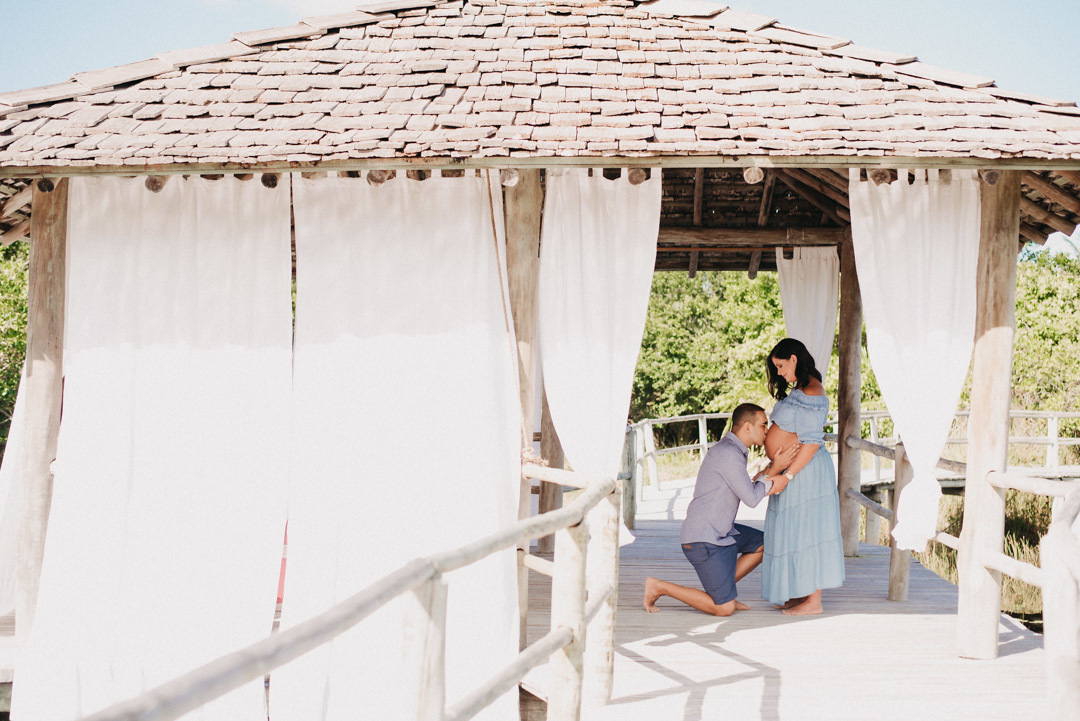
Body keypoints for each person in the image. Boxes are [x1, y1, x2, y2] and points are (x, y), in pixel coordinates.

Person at [643, 403, 799, 616]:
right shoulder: (728, 454)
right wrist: (778, 471)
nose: (767, 430)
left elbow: (751, 484)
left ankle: (724, 591)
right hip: (703, 539)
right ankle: (659, 587)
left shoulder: (734, 450)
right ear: (747, 427)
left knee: (764, 543)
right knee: (724, 608)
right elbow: (752, 498)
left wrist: (773, 468)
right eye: (763, 425)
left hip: (722, 532)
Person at [761, 338, 846, 616]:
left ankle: (813, 601)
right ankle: (800, 592)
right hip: (794, 468)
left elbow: (811, 442)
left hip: (805, 472)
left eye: (781, 366)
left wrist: (788, 475)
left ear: (794, 359)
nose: (779, 372)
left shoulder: (812, 391)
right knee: (792, 530)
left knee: (809, 529)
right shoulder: (800, 389)